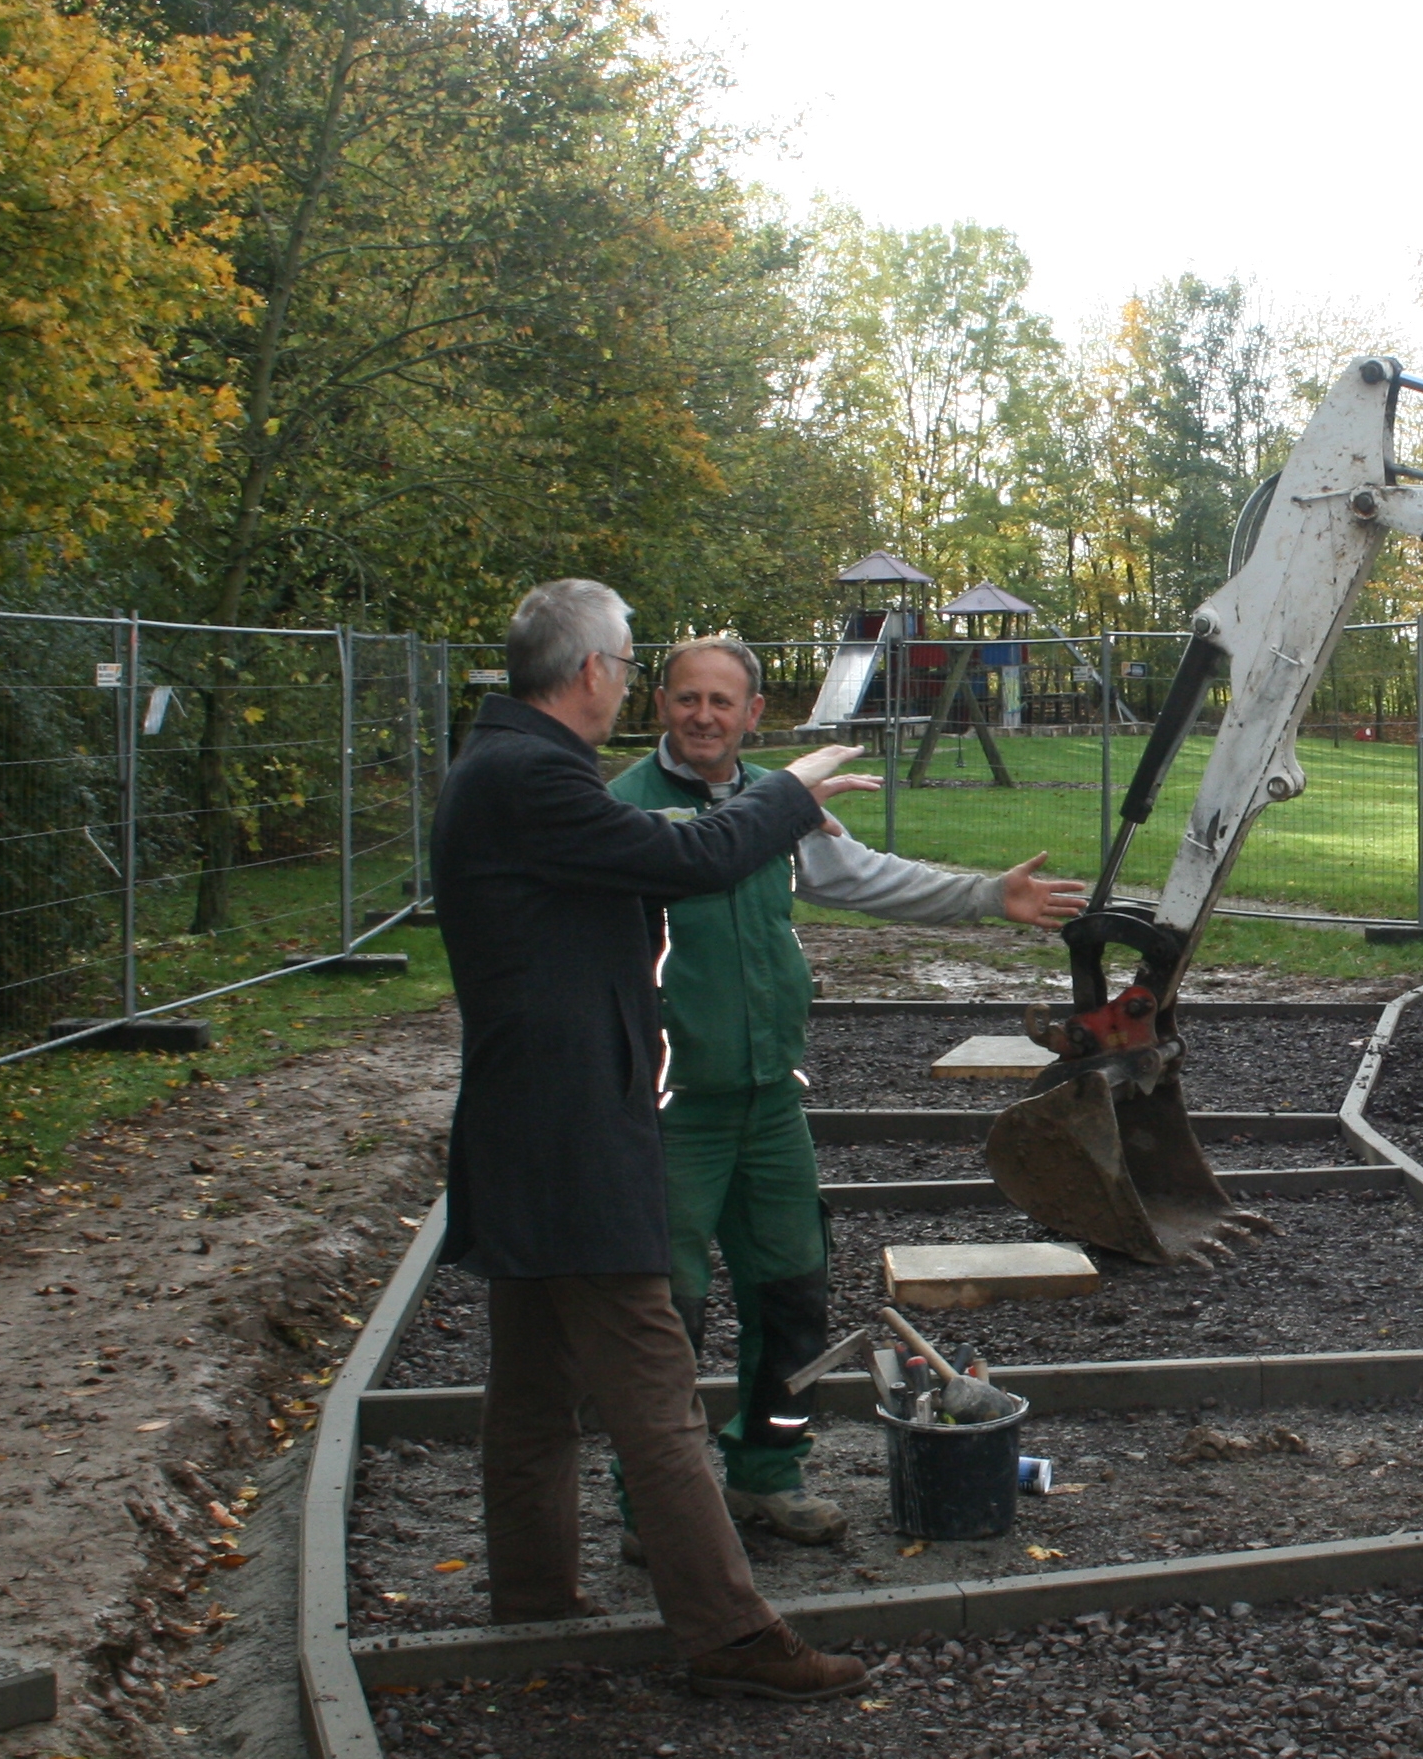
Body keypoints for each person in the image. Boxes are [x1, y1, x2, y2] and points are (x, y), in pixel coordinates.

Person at [428, 579, 883, 1701]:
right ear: (591, 670)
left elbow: (653, 856)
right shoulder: (533, 777)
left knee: (533, 1392)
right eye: (631, 666)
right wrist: (789, 793)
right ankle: (731, 1634)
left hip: (529, 1136)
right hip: (575, 1141)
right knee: (656, 1389)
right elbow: (686, 861)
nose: (631, 685)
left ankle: (532, 1597)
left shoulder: (507, 769)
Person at [608, 634, 1088, 1543]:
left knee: (794, 1293)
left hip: (769, 1105)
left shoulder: (779, 805)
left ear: (754, 714)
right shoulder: (623, 808)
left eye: (721, 701)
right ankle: (656, 1505)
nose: (703, 716)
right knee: (663, 1314)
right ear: (660, 704)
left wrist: (989, 895)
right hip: (670, 1112)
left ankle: (767, 1471)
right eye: (686, 698)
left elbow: (865, 877)